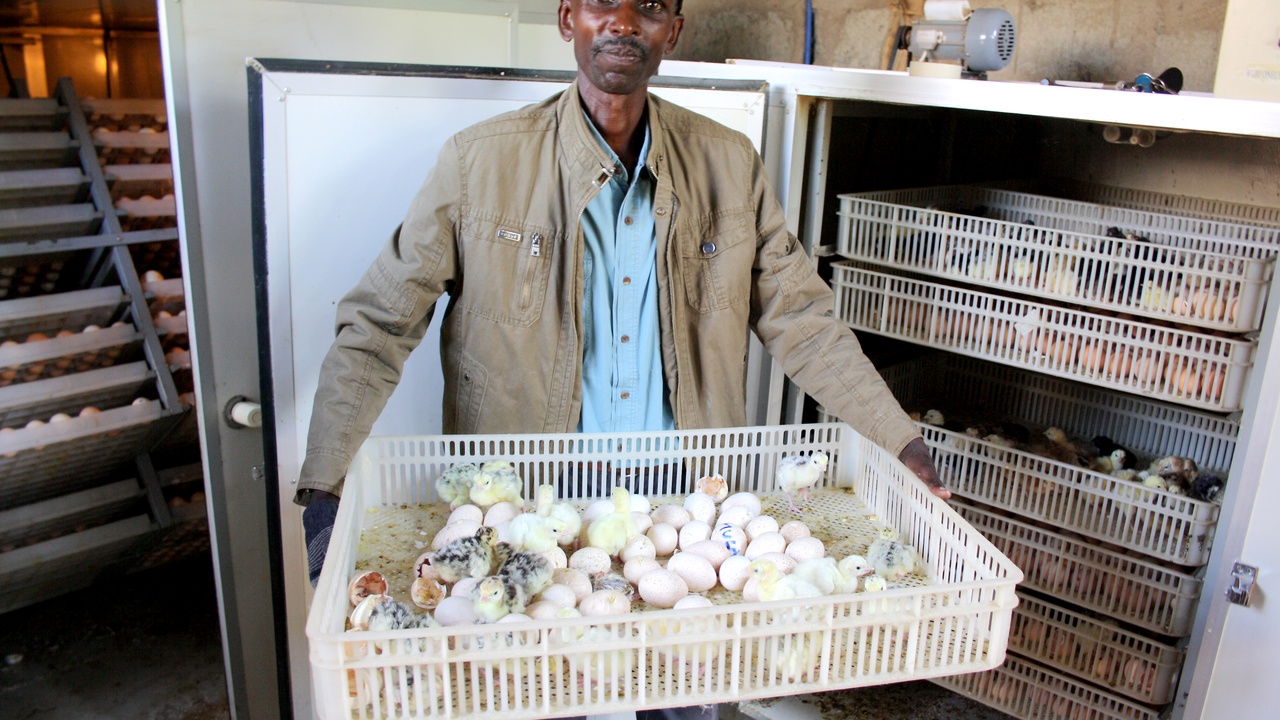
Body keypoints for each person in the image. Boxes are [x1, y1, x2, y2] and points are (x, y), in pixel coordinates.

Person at [297, 1, 949, 717]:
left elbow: (803, 319)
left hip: (684, 514)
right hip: (533, 508)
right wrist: (324, 482)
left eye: (650, 7)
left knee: (687, 692)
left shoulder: (727, 165)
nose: (624, 22)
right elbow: (381, 320)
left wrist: (902, 441)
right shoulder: (481, 162)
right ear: (569, 18)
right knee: (534, 693)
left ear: (673, 31)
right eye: (603, 2)